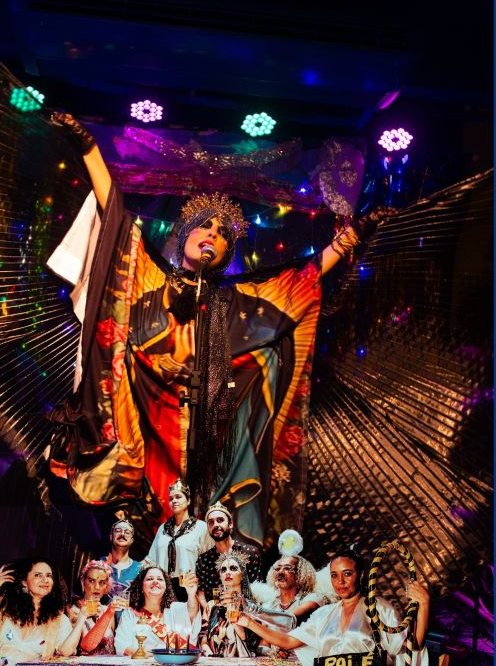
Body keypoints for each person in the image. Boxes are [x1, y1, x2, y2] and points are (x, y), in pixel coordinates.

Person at [47, 112, 390, 545]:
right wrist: (88, 148)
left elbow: (299, 281)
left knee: (205, 533)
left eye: (223, 232)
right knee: (153, 531)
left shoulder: (234, 301)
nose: (212, 233)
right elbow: (113, 215)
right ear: (186, 234)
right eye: (205, 225)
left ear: (228, 252)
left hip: (211, 435)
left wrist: (353, 236)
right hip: (152, 424)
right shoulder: (149, 276)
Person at [236, 547, 431, 666]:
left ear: (361, 575)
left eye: (347, 574)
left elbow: (412, 645)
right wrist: (248, 622)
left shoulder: (379, 609)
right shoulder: (325, 614)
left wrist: (424, 605)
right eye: (334, 575)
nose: (340, 582)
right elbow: (288, 641)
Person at [145, 478, 212, 600]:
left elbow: (211, 560)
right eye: (171, 499)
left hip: (189, 587)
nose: (174, 501)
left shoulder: (201, 527)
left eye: (178, 497)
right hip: (163, 587)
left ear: (188, 501)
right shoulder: (163, 529)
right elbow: (151, 560)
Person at [114, 565, 201, 656]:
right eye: (149, 579)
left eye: (160, 579)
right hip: (142, 663)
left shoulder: (175, 608)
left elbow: (192, 611)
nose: (155, 581)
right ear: (141, 587)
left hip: (175, 662)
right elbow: (122, 645)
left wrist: (191, 594)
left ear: (166, 587)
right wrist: (146, 655)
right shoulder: (131, 613)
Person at [195, 501, 261, 604]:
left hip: (244, 611)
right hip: (214, 611)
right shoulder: (203, 560)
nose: (215, 525)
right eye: (211, 522)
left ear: (230, 524)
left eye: (220, 520)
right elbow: (201, 594)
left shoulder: (250, 553)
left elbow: (257, 591)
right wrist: (210, 610)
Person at [199, 551, 259, 657]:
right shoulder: (211, 605)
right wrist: (210, 655)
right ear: (220, 576)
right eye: (223, 570)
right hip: (213, 662)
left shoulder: (251, 606)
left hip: (241, 662)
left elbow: (248, 641)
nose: (227, 572)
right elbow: (203, 639)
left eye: (233, 568)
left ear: (242, 575)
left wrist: (232, 607)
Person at [66, 560, 128, 655]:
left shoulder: (107, 609)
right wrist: (108, 613)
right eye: (91, 581)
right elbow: (87, 646)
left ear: (107, 586)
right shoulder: (73, 610)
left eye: (102, 582)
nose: (97, 587)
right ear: (83, 582)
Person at [262, 554, 326, 619]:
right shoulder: (269, 605)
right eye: (278, 569)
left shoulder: (313, 598)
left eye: (287, 568)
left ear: (299, 574)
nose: (280, 572)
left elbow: (286, 620)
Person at [99, 519, 142, 596]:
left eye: (127, 532)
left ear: (132, 540)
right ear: (111, 537)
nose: (122, 534)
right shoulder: (98, 564)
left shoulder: (140, 569)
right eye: (118, 531)